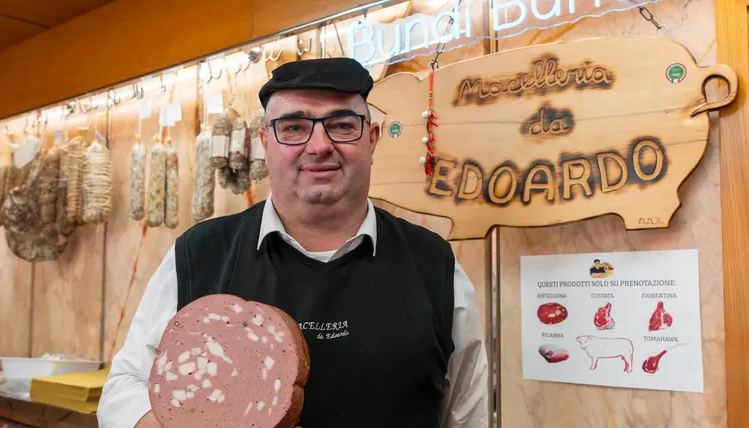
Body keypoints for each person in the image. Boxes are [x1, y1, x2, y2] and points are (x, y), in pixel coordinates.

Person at [97, 57, 489, 428]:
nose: (319, 146)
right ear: (265, 142)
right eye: (294, 127)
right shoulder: (199, 254)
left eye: (342, 125)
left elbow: (469, 414)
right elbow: (124, 388)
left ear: (371, 140)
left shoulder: (433, 263)